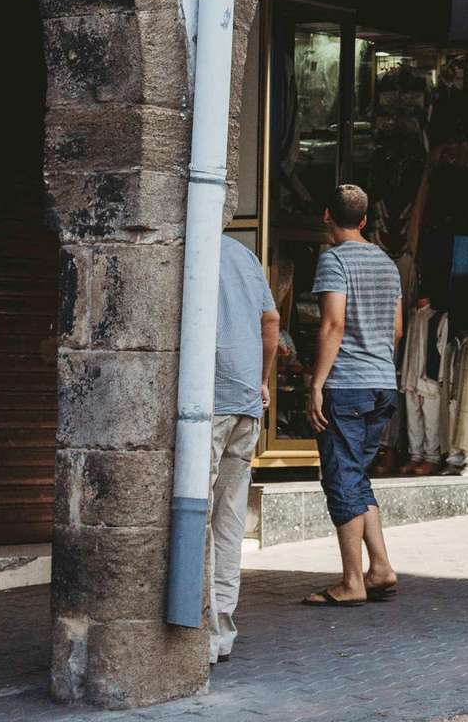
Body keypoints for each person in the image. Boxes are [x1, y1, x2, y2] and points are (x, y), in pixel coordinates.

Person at [305, 183, 403, 607]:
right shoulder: (387, 262)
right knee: (358, 475)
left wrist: (316, 384)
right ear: (364, 220)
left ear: (327, 215)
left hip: (346, 384)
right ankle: (379, 567)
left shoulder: (333, 260)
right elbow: (397, 330)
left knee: (341, 479)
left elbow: (332, 325)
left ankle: (351, 582)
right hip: (383, 381)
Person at [209, 230, 279, 663]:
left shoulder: (182, 245)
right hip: (245, 403)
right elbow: (270, 321)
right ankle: (221, 632)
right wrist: (261, 379)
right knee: (230, 519)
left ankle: (201, 631)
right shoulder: (241, 253)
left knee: (196, 514)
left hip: (208, 401)